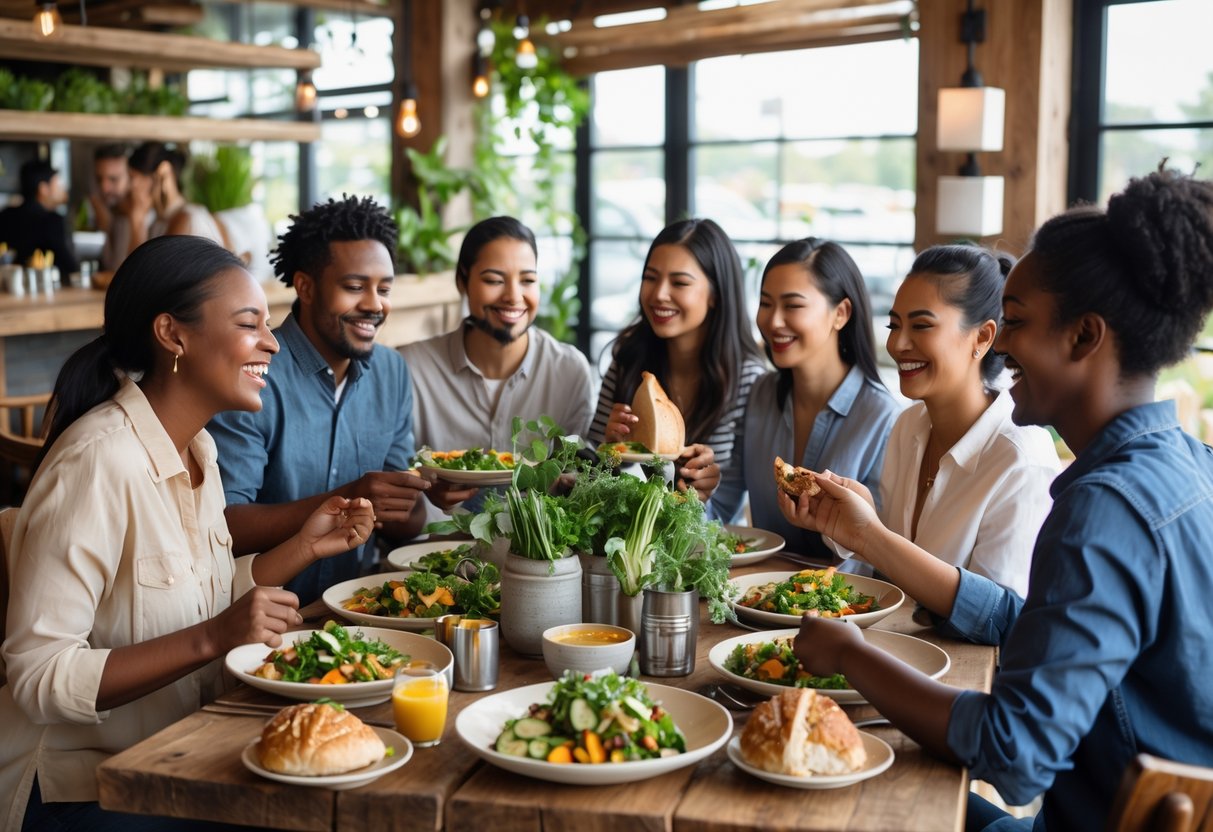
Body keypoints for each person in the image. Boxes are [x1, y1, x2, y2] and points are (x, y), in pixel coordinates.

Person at [789, 168, 1213, 832]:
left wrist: (851, 656)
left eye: (1013, 322)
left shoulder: (1103, 509)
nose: (1000, 342)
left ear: (1083, 337)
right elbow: (1056, 636)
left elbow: (1012, 754)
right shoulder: (1187, 463)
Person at [0, 235, 374, 830]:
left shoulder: (198, 448)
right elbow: (39, 677)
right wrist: (212, 639)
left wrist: (303, 547)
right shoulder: (99, 462)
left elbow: (203, 595)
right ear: (173, 335)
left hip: (178, 753)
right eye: (250, 325)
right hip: (83, 788)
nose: (273, 343)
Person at [785, 245, 1059, 598]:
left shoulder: (1021, 458)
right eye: (893, 325)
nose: (898, 344)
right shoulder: (909, 425)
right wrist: (857, 521)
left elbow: (996, 618)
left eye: (922, 325)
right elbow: (892, 584)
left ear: (983, 336)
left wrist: (871, 534)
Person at [208, 195, 435, 605]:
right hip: (253, 612)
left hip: (360, 609)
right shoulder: (253, 373)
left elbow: (402, 521)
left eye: (384, 289)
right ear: (305, 287)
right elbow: (225, 526)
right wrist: (352, 495)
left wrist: (423, 494)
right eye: (354, 287)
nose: (374, 304)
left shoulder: (392, 372)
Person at [400, 216, 595, 520]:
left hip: (535, 555)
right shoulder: (411, 367)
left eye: (528, 280)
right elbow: (390, 472)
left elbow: (577, 478)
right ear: (462, 281)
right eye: (494, 280)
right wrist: (423, 487)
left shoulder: (569, 371)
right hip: (430, 550)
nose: (514, 297)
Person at [589, 218, 767, 522]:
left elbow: (729, 512)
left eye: (680, 283)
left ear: (715, 294)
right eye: (651, 278)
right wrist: (608, 453)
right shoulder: (628, 358)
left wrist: (703, 491)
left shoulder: (745, 379)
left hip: (706, 549)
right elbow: (587, 478)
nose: (659, 294)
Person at [743, 238, 901, 561]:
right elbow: (719, 507)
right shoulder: (759, 393)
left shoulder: (884, 418)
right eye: (766, 303)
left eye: (793, 305)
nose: (772, 322)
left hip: (842, 608)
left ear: (840, 313)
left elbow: (882, 558)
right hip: (751, 599)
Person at [118, 142, 227, 262]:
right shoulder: (160, 221)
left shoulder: (185, 219)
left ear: (163, 172)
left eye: (134, 178)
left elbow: (146, 276)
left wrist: (137, 223)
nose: (131, 187)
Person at [0, 158, 79, 276]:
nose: (63, 188)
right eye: (58, 183)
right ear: (43, 189)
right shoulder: (53, 221)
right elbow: (71, 268)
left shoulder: (5, 215)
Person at [87, 143, 129, 235]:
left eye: (113, 179)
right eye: (99, 179)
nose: (104, 188)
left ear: (131, 178)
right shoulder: (95, 207)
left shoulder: (147, 221)